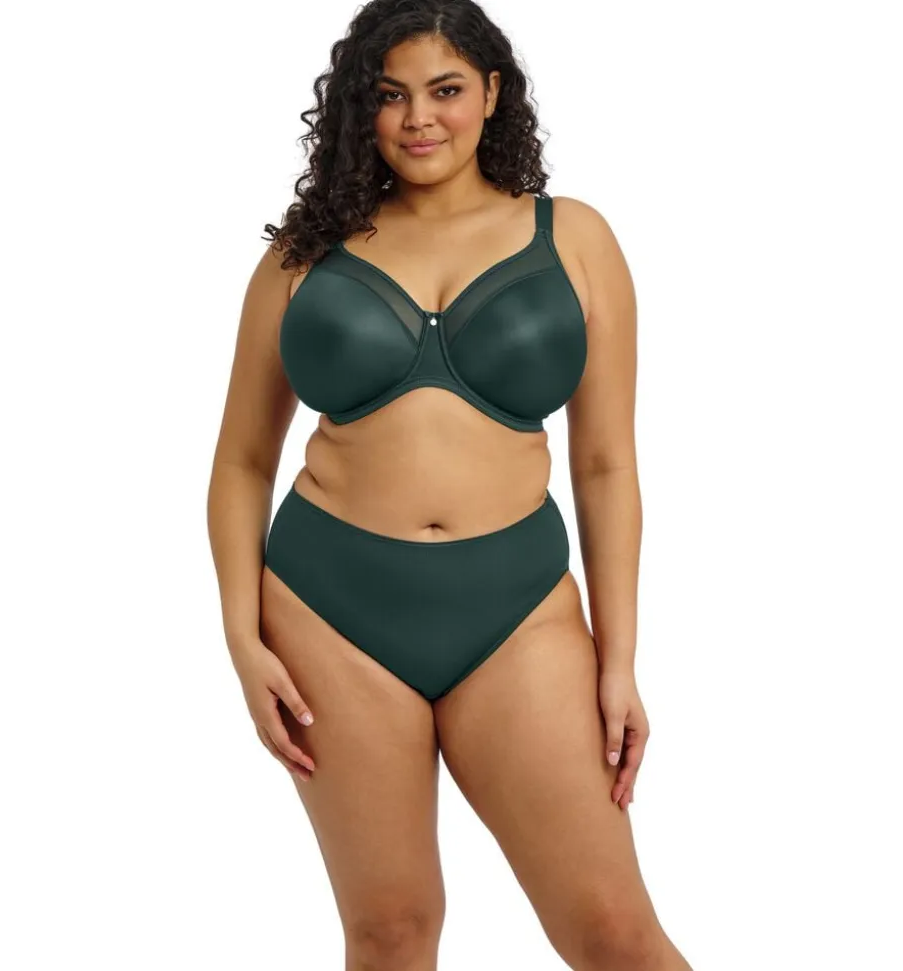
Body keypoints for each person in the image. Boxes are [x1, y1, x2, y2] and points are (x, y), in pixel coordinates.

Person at [207, 1, 693, 968]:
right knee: (391, 930)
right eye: (390, 95)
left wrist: (619, 658)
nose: (419, 118)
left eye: (445, 90)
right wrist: (239, 636)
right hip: (329, 612)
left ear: (493, 94)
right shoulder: (305, 252)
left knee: (614, 933)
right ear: (361, 108)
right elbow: (241, 461)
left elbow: (606, 463)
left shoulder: (574, 238)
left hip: (518, 613)